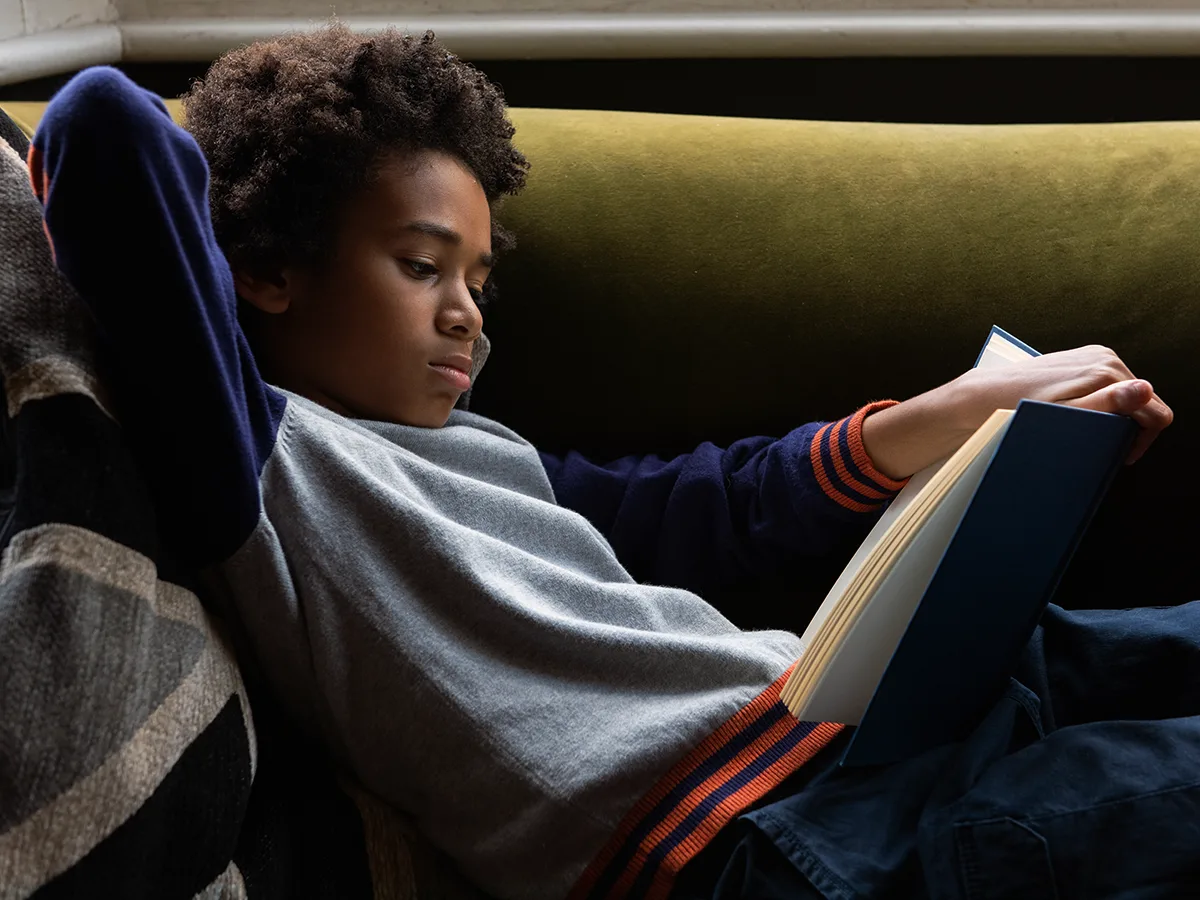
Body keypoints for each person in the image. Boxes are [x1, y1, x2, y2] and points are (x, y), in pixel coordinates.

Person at [24, 24, 1196, 900]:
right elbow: (103, 127)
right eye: (422, 266)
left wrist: (961, 412)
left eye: (479, 282)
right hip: (766, 843)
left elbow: (714, 506)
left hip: (873, 725)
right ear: (270, 272)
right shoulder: (265, 468)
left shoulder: (486, 456)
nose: (467, 316)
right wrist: (241, 255)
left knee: (1140, 642)